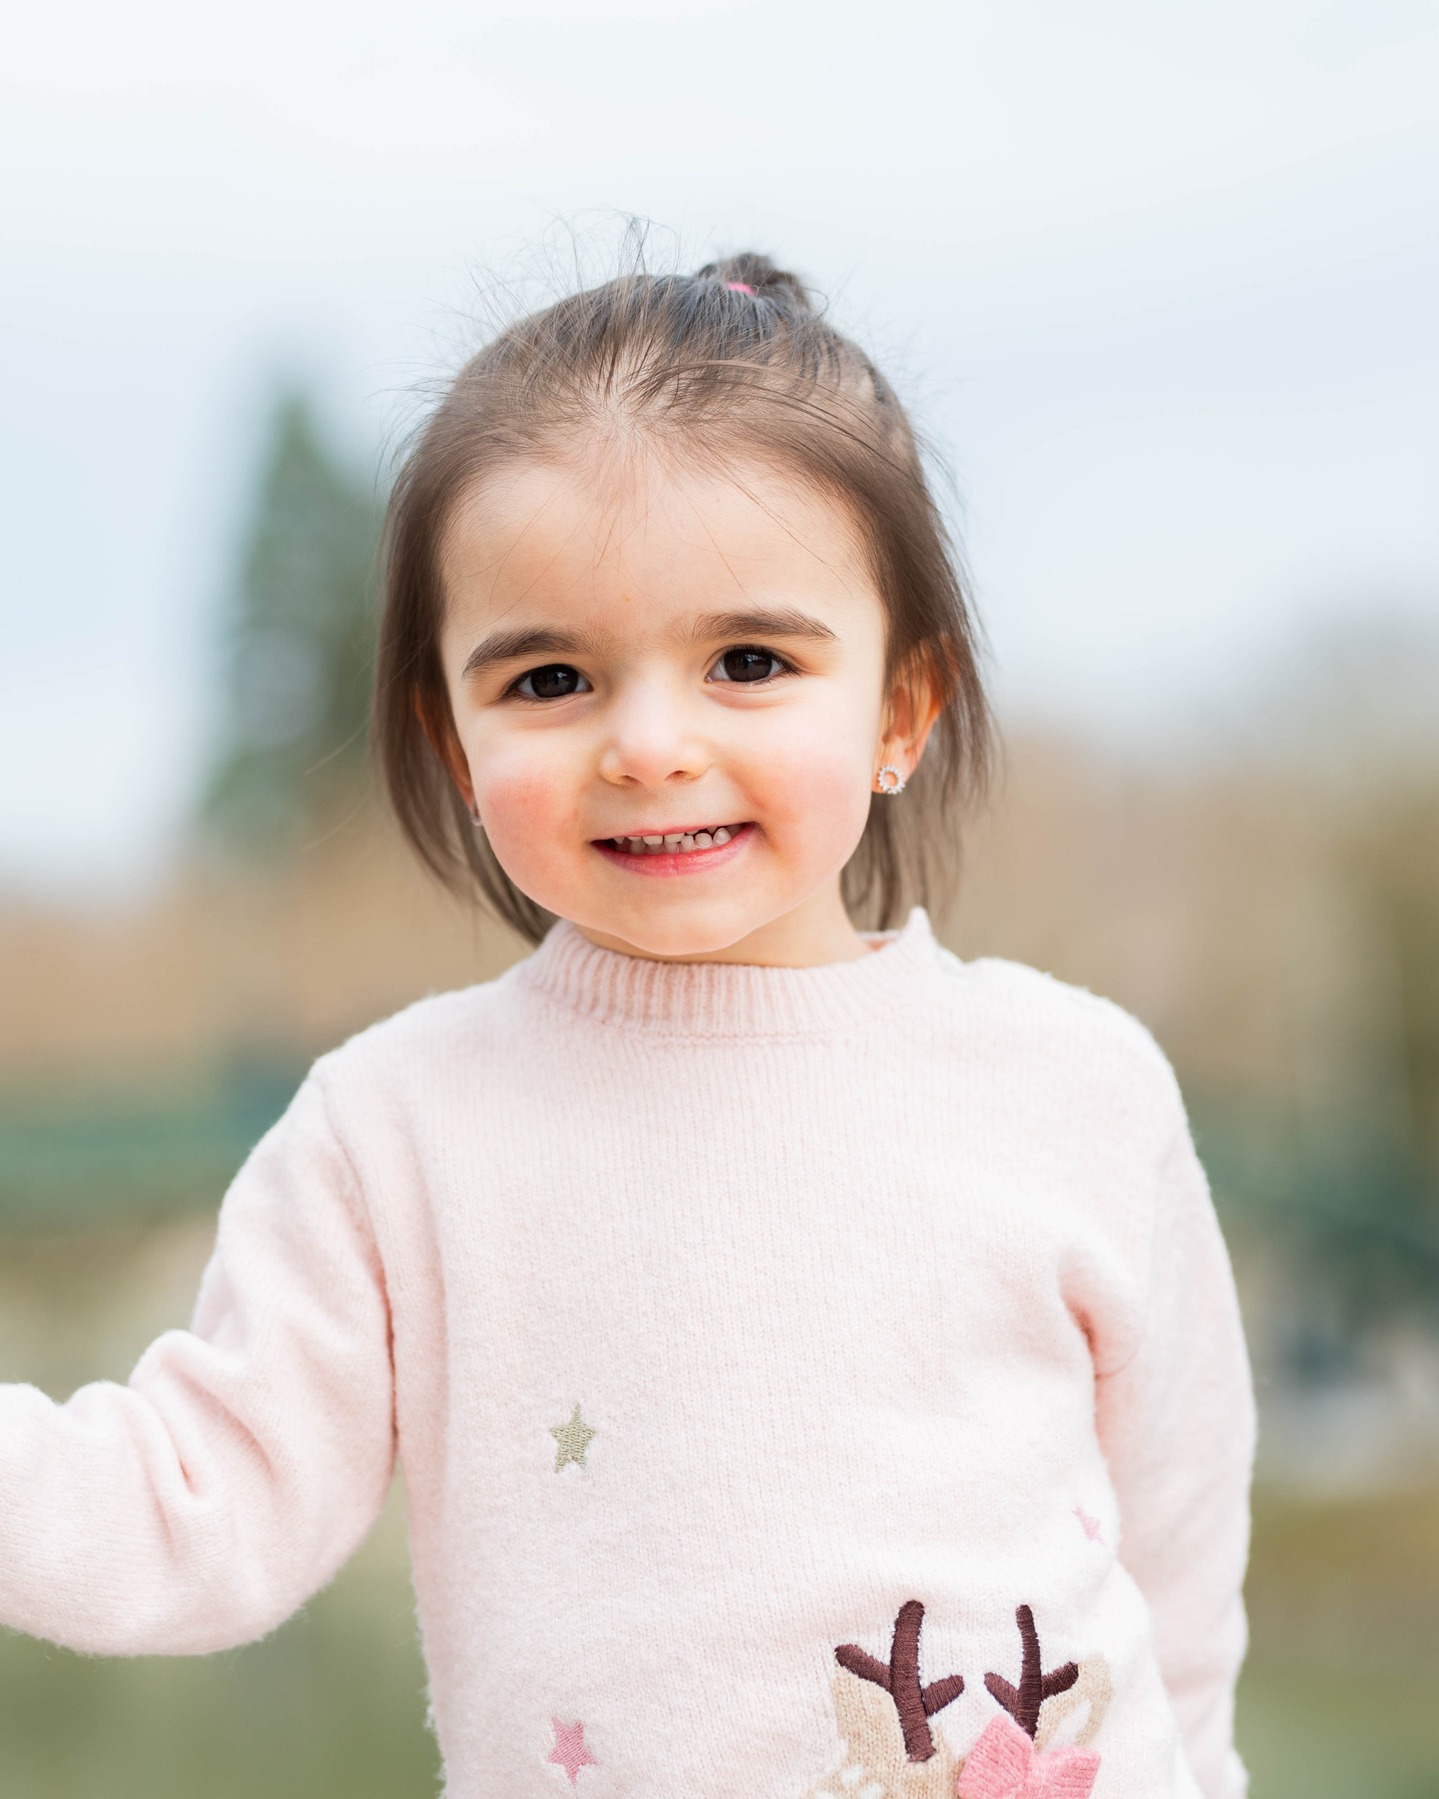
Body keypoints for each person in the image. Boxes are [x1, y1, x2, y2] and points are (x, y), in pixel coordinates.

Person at [0, 253, 1255, 1798]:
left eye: (749, 662)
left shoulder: (1078, 1086)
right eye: (551, 678)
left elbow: (1181, 1579)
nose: (649, 745)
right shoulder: (395, 1135)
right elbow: (197, 1507)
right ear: (451, 738)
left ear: (900, 710)